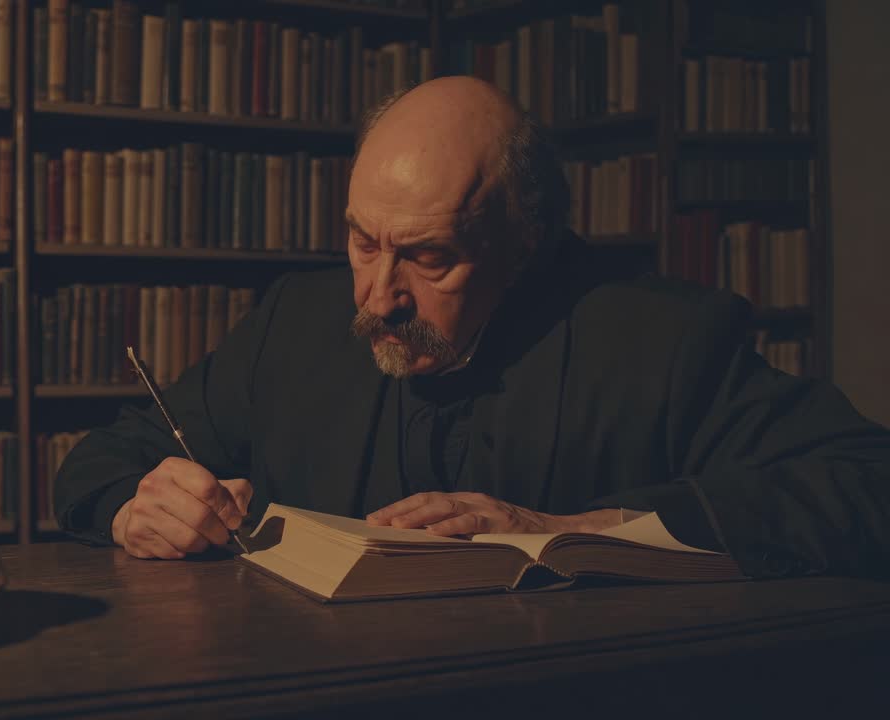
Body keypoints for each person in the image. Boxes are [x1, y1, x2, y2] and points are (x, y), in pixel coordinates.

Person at [54, 76, 890, 579]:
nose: (379, 297)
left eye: (429, 257)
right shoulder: (294, 324)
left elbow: (867, 485)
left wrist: (575, 531)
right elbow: (101, 461)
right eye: (361, 241)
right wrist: (143, 503)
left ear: (523, 244)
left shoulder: (661, 344)